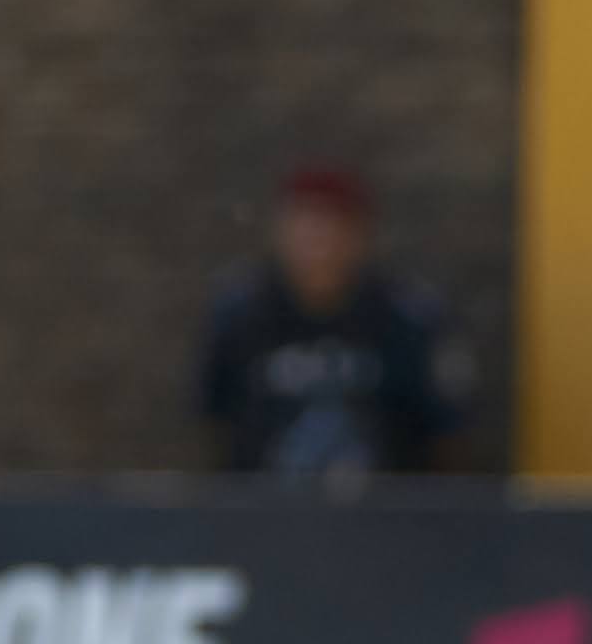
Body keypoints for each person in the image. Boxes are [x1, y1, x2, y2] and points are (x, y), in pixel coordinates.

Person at [194, 162, 469, 479]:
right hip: (266, 516)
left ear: (360, 233)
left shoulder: (409, 317)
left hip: (386, 518)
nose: (318, 242)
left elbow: (446, 435)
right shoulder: (240, 313)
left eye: (332, 225)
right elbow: (215, 424)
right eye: (305, 224)